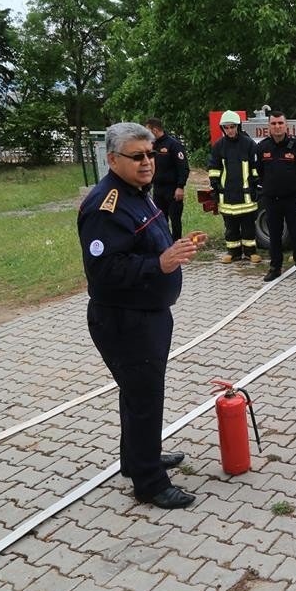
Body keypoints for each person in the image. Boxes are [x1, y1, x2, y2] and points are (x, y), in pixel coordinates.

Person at [78, 122, 206, 509]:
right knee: (144, 397)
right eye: (138, 157)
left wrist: (174, 248)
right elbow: (105, 271)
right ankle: (150, 483)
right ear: (112, 159)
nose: (148, 162)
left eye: (150, 154)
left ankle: (137, 458)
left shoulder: (138, 193)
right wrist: (159, 264)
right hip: (125, 319)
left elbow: (146, 245)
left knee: (137, 395)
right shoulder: (105, 207)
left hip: (147, 313)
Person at [255, 111, 296, 282]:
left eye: (280, 123)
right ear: (269, 126)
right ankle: (275, 267)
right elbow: (260, 172)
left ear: (286, 126)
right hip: (271, 200)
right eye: (273, 124)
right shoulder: (262, 147)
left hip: (291, 200)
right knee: (274, 235)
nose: (277, 127)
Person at [207, 110, 260, 264]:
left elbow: (255, 167)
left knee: (248, 226)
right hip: (227, 194)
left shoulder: (249, 144)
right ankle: (233, 252)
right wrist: (215, 186)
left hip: (246, 194)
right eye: (226, 127)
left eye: (232, 127)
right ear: (223, 128)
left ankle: (250, 252)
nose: (230, 130)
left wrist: (256, 186)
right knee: (230, 226)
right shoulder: (219, 146)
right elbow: (214, 167)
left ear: (238, 126)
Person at [145, 118, 189, 241]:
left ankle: (177, 243)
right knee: (159, 219)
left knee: (175, 220)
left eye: (148, 130)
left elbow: (183, 167)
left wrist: (180, 186)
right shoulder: (151, 145)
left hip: (173, 189)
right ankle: (164, 244)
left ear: (154, 129)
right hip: (158, 189)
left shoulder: (173, 145)